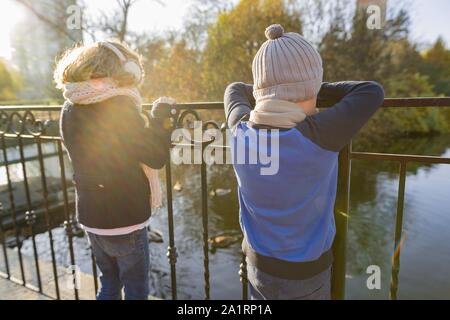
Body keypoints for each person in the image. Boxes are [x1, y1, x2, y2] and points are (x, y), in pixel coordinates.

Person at [224, 24, 385, 300]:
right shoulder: (319, 134)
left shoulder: (240, 130)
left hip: (256, 265)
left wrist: (272, 90)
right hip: (305, 276)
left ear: (261, 94)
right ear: (312, 87)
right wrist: (312, 90)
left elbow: (234, 89)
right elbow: (371, 91)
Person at [55, 40, 172, 300]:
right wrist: (160, 118)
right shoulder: (119, 107)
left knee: (109, 281)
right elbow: (155, 156)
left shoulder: (69, 107)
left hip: (90, 216)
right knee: (136, 286)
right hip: (125, 219)